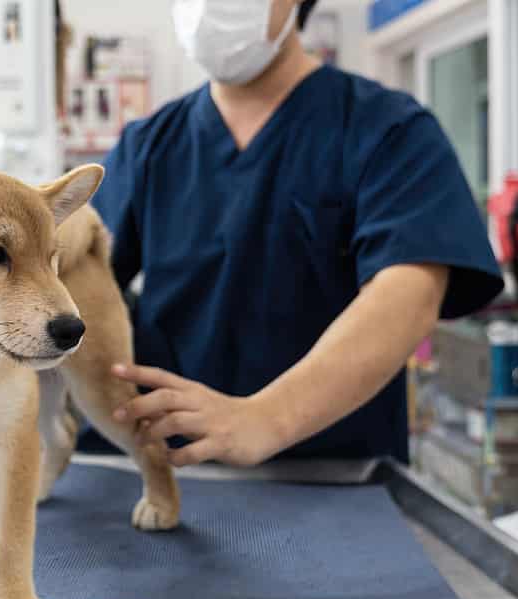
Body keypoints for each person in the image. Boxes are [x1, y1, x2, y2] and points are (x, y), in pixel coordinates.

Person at [95, 0, 503, 467]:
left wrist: (264, 418)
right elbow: (74, 273)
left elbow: (409, 294)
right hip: (176, 478)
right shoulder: (148, 147)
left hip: (335, 481)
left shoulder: (388, 131)